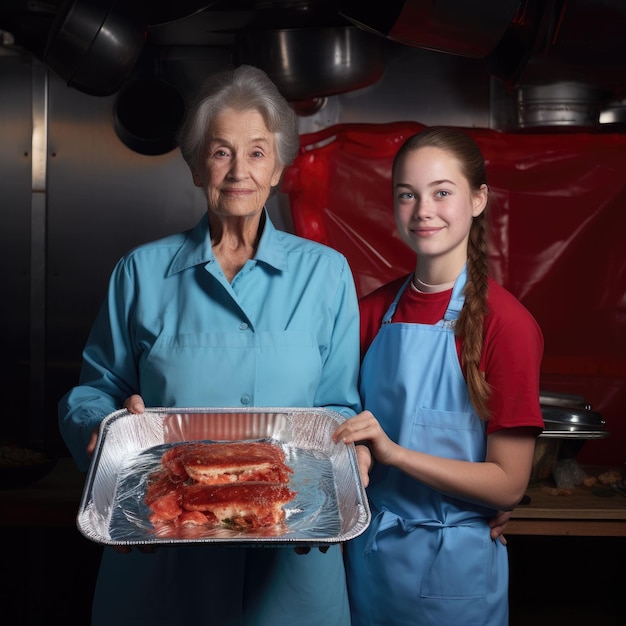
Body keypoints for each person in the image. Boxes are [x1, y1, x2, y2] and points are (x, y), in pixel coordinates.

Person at [58, 64, 361, 626]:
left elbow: (339, 405)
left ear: (278, 167)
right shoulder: (141, 272)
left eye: (256, 152)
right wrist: (99, 431)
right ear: (197, 164)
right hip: (161, 562)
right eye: (221, 152)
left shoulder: (327, 275)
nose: (238, 171)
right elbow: (94, 392)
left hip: (291, 570)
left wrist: (352, 455)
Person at [333, 126, 544, 626]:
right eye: (407, 194)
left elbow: (508, 484)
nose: (423, 209)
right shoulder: (370, 312)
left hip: (457, 569)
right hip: (369, 557)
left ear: (478, 199)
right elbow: (328, 417)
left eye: (442, 192)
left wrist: (395, 453)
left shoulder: (506, 324)